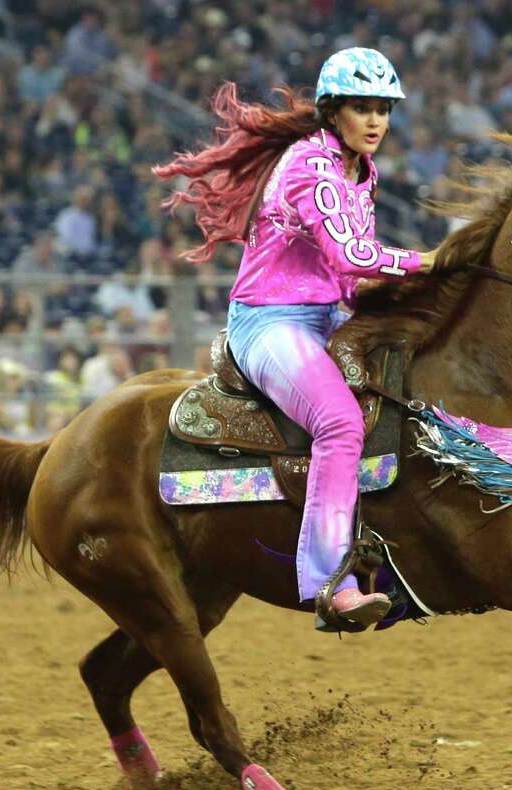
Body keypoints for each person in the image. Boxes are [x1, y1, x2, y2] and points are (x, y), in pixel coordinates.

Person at [154, 47, 438, 628]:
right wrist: (433, 262)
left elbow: (348, 274)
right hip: (270, 321)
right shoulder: (313, 166)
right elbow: (351, 254)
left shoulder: (363, 170)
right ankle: (330, 581)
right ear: (334, 112)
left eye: (383, 108)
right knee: (339, 423)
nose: (377, 120)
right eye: (363, 107)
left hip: (327, 314)